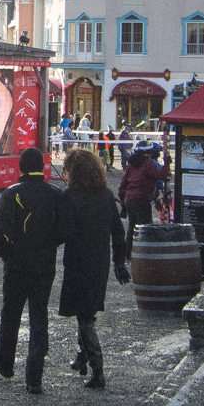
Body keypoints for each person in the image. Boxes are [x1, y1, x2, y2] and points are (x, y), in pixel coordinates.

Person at [0, 146, 68, 394]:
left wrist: (7, 254)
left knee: (11, 312)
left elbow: (2, 233)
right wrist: (47, 246)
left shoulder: (13, 193)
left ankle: (5, 361)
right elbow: (63, 231)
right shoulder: (55, 194)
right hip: (44, 264)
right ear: (42, 167)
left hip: (17, 264)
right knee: (39, 315)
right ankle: (34, 376)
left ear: (21, 167)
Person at [58, 149, 130, 389]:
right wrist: (119, 263)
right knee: (86, 312)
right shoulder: (106, 194)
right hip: (100, 262)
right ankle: (82, 358)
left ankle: (97, 370)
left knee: (85, 316)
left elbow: (63, 233)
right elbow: (118, 231)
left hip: (78, 261)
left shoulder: (70, 196)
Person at [118, 140, 168, 259]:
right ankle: (143, 253)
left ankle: (128, 253)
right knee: (144, 227)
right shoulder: (148, 163)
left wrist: (122, 199)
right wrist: (167, 165)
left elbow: (124, 182)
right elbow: (161, 175)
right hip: (142, 199)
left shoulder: (131, 165)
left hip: (130, 200)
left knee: (131, 228)